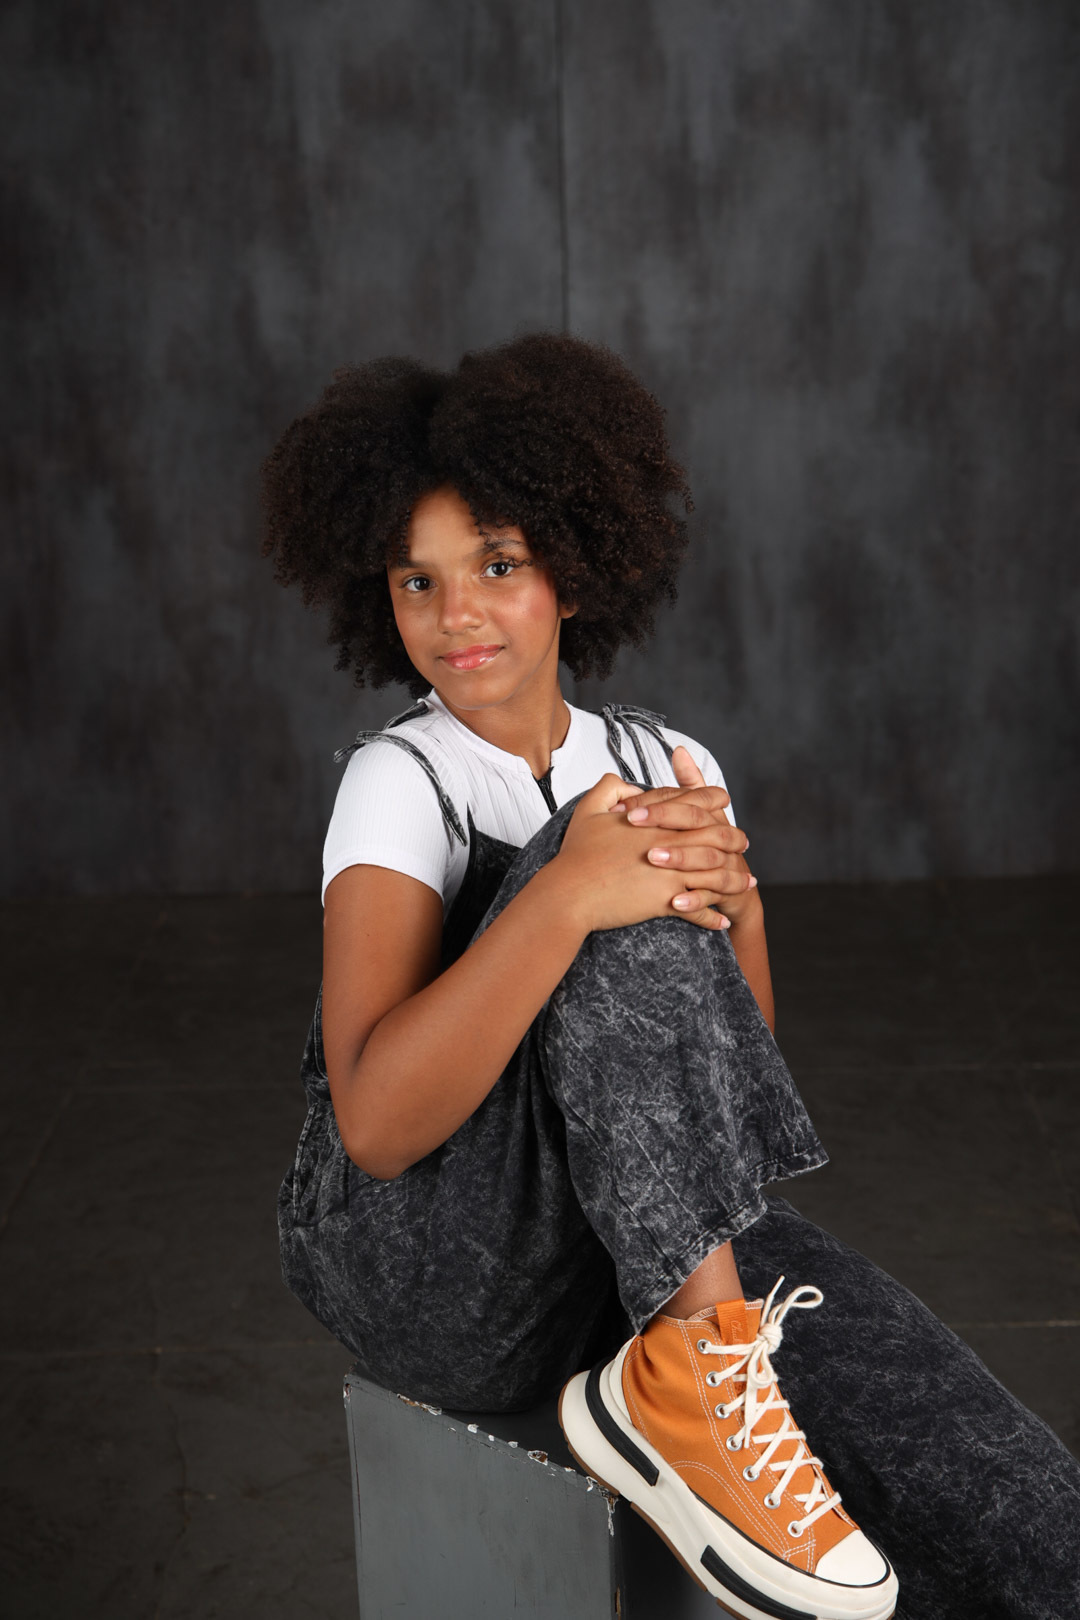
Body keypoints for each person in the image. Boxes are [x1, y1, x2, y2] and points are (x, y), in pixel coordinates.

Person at [261, 333, 1080, 1619]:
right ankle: (691, 1385)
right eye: (418, 580)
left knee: (1007, 1493)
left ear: (573, 569)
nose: (457, 613)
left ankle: (704, 1375)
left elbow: (712, 1100)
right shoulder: (398, 781)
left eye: (498, 565)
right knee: (610, 854)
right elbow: (374, 1127)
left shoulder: (669, 759)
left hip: (623, 1247)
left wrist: (738, 905)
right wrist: (570, 893)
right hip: (434, 1272)